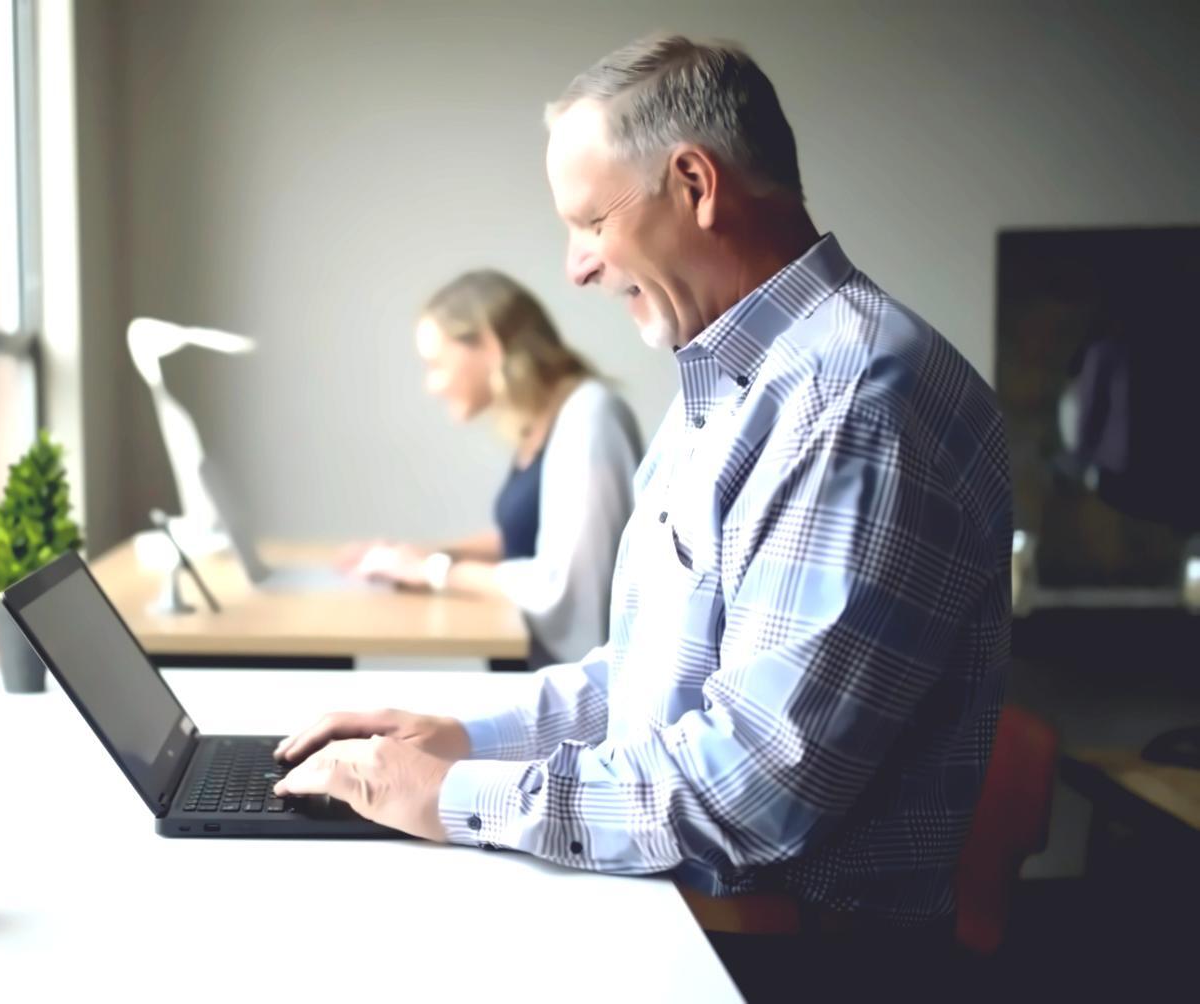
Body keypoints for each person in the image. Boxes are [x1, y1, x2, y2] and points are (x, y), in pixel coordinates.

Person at [275, 33, 1011, 1000]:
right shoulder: (733, 384)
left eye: (587, 222)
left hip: (787, 962)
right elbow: (642, 680)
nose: (574, 268)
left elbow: (749, 791)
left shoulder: (850, 402)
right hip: (706, 924)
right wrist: (456, 739)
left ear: (696, 185)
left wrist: (452, 799)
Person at [347, 269, 641, 667]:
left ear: (488, 344)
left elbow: (564, 586)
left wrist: (434, 570)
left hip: (566, 694)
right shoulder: (546, 419)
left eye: (435, 364)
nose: (432, 385)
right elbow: (525, 539)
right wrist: (423, 556)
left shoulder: (590, 417)